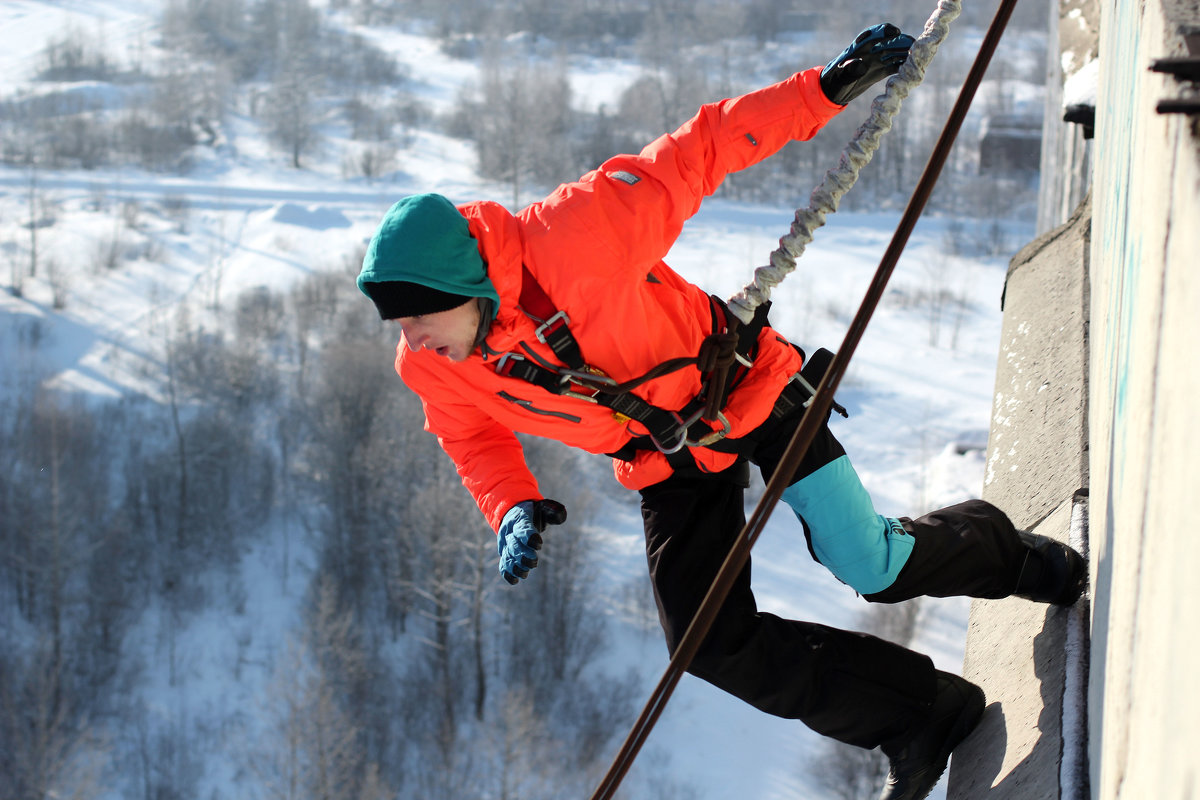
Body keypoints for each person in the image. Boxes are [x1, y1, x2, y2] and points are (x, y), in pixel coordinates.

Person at [356, 24, 1086, 800]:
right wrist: (510, 506)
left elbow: (697, 151)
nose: (411, 341)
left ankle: (1013, 557)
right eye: (401, 328)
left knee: (870, 564)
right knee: (707, 644)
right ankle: (921, 714)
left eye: (417, 319)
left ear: (464, 290)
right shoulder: (432, 366)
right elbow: (471, 437)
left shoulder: (574, 236)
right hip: (666, 453)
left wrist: (822, 92)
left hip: (747, 388)